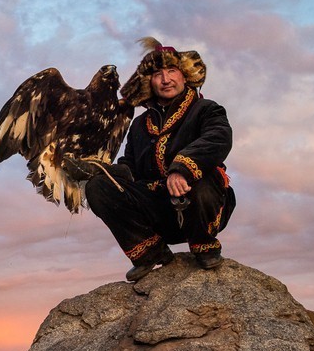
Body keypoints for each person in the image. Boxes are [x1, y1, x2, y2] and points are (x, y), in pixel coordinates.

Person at [83, 37, 236, 282]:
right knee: (98, 187)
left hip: (201, 205)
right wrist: (102, 171)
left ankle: (204, 246)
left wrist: (182, 169)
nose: (166, 79)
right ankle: (150, 253)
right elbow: (130, 167)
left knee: (203, 177)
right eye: (157, 74)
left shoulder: (206, 109)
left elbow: (219, 138)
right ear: (149, 83)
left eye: (172, 71)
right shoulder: (139, 126)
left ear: (185, 76)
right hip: (158, 211)